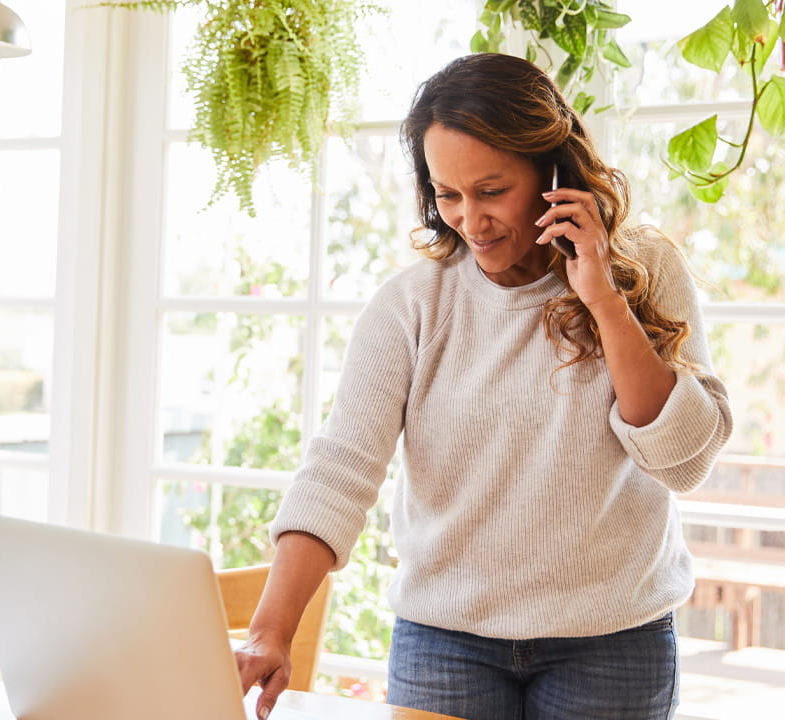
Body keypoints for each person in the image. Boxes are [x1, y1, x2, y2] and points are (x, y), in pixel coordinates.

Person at [234, 53, 733, 720]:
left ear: (551, 172)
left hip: (612, 643)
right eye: (448, 195)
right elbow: (340, 470)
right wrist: (272, 627)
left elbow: (682, 461)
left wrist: (603, 301)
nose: (470, 220)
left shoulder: (643, 270)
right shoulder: (412, 305)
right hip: (445, 644)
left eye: (492, 191)